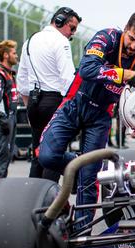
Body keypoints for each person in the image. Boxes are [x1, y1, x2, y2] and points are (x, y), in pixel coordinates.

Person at [39, 10, 135, 228]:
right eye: (132, 39)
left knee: (89, 178)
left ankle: (82, 234)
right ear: (125, 29)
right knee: (47, 156)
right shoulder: (106, 38)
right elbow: (87, 69)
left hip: (100, 115)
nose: (134, 46)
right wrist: (126, 74)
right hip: (75, 103)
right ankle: (76, 164)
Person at [17, 7, 80, 181]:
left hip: (34, 103)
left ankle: (32, 198)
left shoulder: (29, 41)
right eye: (72, 28)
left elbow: (21, 82)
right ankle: (49, 203)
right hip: (54, 103)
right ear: (59, 21)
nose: (72, 33)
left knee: (37, 154)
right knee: (53, 155)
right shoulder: (60, 41)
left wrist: (29, 106)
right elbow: (68, 80)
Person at [0, 39, 20, 180]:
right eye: (14, 53)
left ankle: (0, 188)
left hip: (11, 117)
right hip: (3, 120)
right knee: (1, 157)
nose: (16, 55)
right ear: (6, 55)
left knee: (7, 156)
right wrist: (4, 120)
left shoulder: (10, 73)